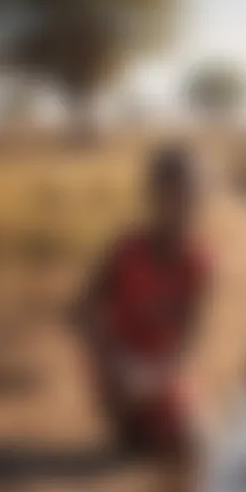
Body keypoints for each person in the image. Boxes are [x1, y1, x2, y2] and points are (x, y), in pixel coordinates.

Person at [77, 143, 210, 461]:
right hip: (118, 368)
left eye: (191, 197)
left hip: (158, 373)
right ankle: (125, 420)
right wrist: (113, 358)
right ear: (152, 196)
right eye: (173, 195)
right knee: (138, 437)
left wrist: (157, 375)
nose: (182, 207)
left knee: (194, 445)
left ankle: (148, 420)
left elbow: (189, 337)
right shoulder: (125, 251)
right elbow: (81, 309)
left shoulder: (199, 263)